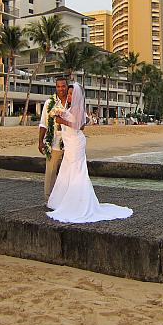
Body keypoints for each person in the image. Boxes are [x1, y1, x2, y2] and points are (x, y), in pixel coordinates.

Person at [47, 82, 133, 223]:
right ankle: (62, 201)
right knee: (67, 170)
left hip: (75, 143)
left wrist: (61, 120)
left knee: (77, 171)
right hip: (69, 143)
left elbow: (80, 126)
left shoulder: (78, 108)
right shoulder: (71, 108)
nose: (68, 96)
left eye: (71, 94)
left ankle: (77, 203)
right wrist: (60, 114)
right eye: (68, 94)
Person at [38, 77, 71, 204]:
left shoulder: (72, 102)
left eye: (63, 86)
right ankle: (49, 199)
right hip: (54, 143)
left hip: (70, 143)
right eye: (58, 86)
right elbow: (43, 124)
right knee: (51, 172)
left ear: (67, 86)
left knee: (68, 173)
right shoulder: (49, 103)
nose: (61, 89)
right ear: (55, 87)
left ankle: (66, 199)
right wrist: (40, 141)